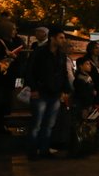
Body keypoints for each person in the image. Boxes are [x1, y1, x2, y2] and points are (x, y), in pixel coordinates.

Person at [23, 27, 72, 160]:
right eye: (61, 37)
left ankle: (44, 150)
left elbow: (63, 73)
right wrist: (34, 88)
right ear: (52, 38)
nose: (63, 40)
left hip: (54, 93)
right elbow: (30, 71)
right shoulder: (39, 53)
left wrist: (65, 89)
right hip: (41, 92)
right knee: (37, 124)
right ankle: (33, 151)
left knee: (48, 124)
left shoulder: (61, 55)